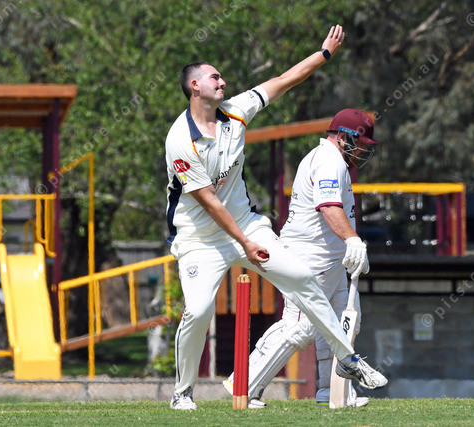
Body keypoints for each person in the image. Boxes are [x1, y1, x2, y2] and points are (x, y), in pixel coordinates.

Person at [164, 26, 387, 410]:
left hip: (247, 225)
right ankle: (182, 392)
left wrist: (324, 54)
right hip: (200, 239)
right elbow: (210, 202)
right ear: (195, 86)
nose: (223, 82)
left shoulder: (235, 112)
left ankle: (348, 359)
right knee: (198, 311)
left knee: (302, 279)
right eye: (215, 77)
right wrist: (244, 244)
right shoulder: (180, 141)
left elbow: (284, 81)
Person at [224, 109, 379, 408]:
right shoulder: (328, 161)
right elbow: (329, 207)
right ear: (344, 137)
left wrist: (348, 245)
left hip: (329, 258)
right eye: (360, 143)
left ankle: (333, 394)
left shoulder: (333, 161)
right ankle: (243, 384)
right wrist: (353, 240)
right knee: (299, 326)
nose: (362, 151)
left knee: (339, 325)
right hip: (310, 257)